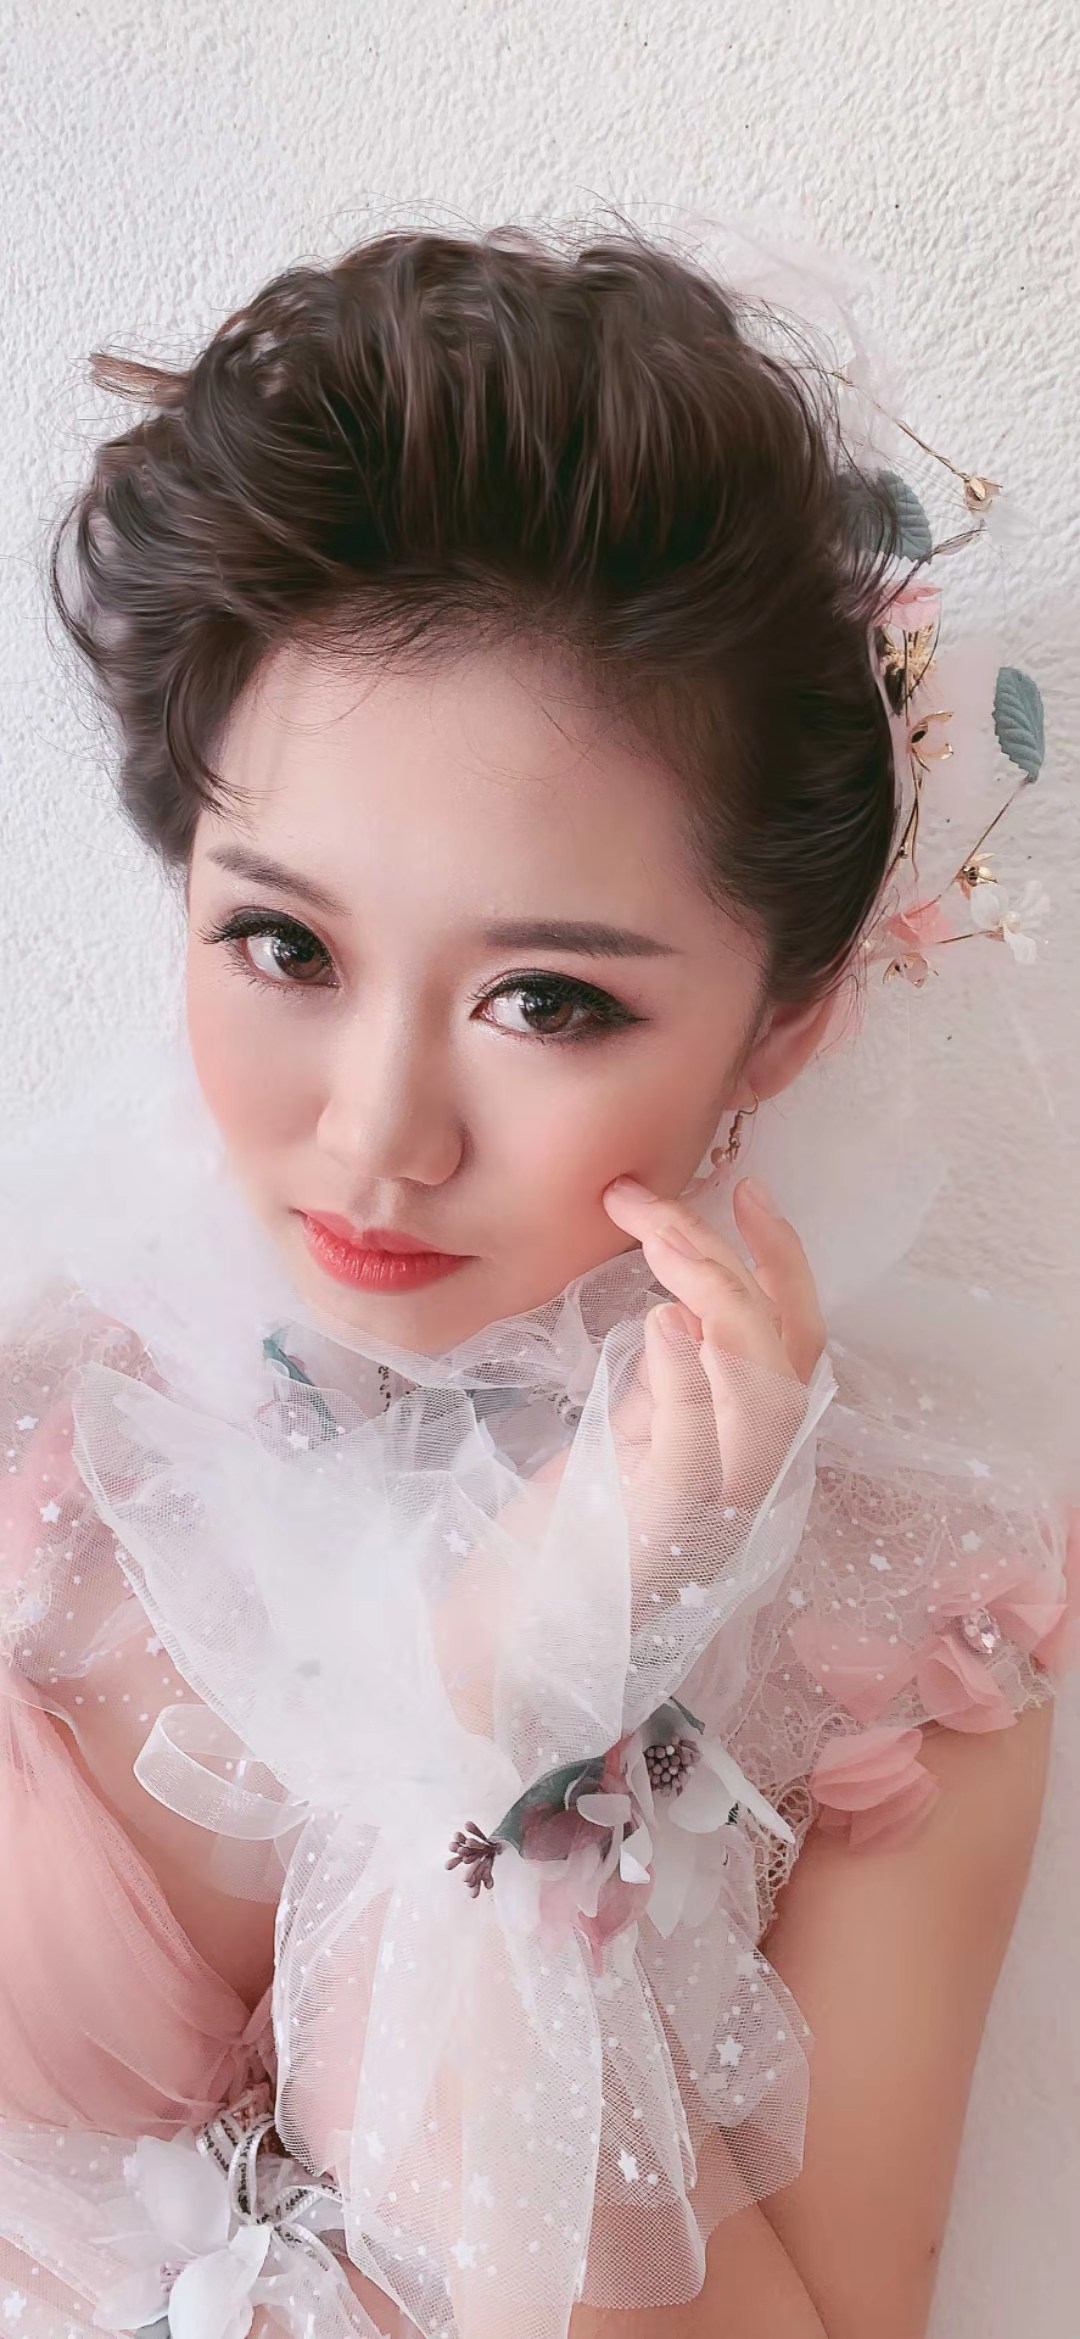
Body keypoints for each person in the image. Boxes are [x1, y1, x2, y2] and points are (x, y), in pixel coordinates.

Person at [0, 220, 1075, 2339]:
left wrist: (509, 1718)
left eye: (548, 1000)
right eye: (283, 944)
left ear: (784, 1025)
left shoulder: (912, 1625)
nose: (377, 1133)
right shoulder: (43, 1416)